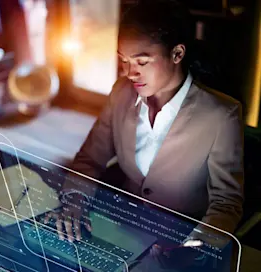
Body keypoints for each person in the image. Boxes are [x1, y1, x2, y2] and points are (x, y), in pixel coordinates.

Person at [46, 0, 244, 270]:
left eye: (141, 61)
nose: (130, 73)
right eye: (124, 61)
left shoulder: (221, 115)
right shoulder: (121, 92)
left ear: (177, 54)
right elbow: (90, 159)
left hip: (178, 245)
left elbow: (226, 203)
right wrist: (74, 201)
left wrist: (196, 246)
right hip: (125, 229)